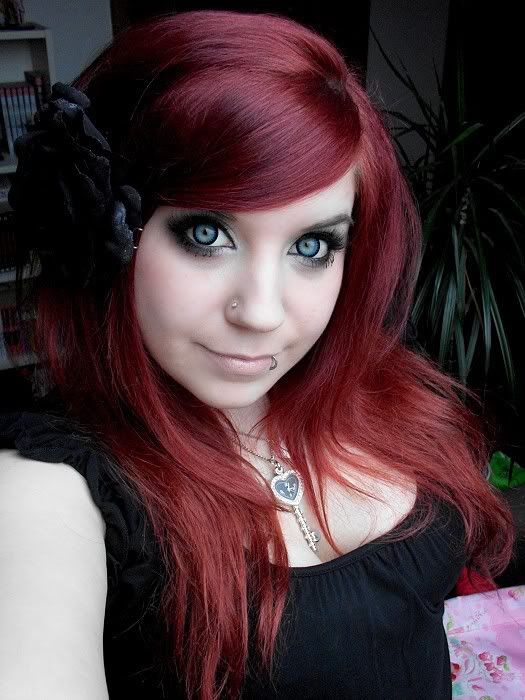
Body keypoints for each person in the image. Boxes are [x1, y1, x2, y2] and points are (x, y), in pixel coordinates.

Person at [0, 10, 516, 700]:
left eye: (312, 246)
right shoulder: (46, 496)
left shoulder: (374, 388)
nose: (264, 313)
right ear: (110, 234)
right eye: (206, 234)